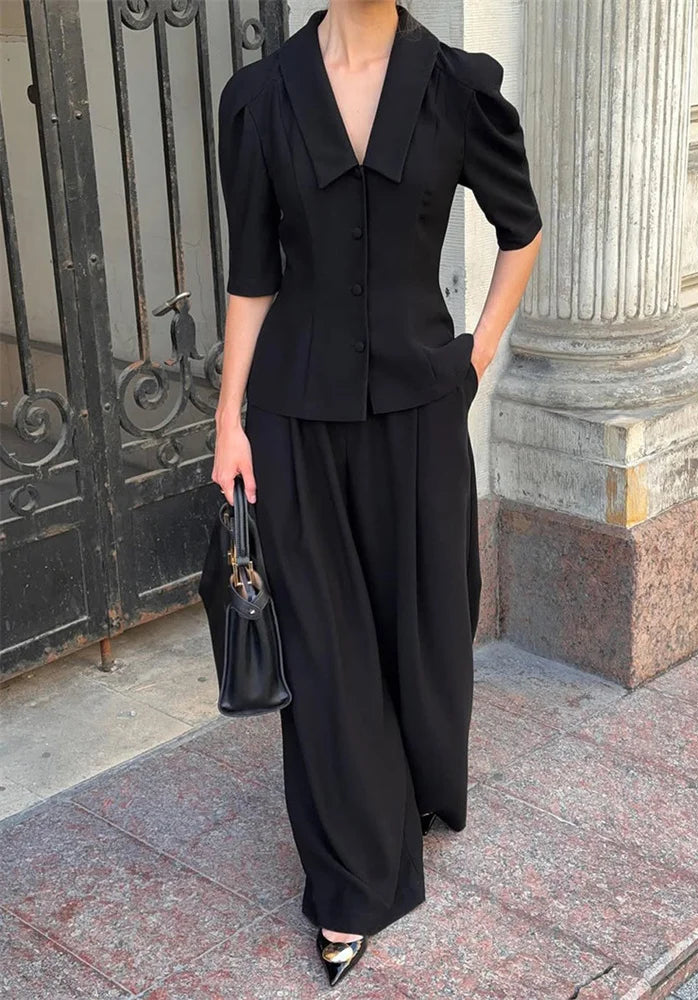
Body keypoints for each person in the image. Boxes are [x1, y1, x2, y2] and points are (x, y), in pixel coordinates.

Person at [212, 0, 542, 986]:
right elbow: (251, 276)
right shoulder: (261, 98)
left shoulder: (457, 87)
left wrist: (473, 359)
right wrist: (228, 420)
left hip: (419, 416)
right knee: (323, 649)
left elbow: (520, 230)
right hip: (293, 418)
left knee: (425, 625)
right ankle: (352, 881)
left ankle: (420, 784)